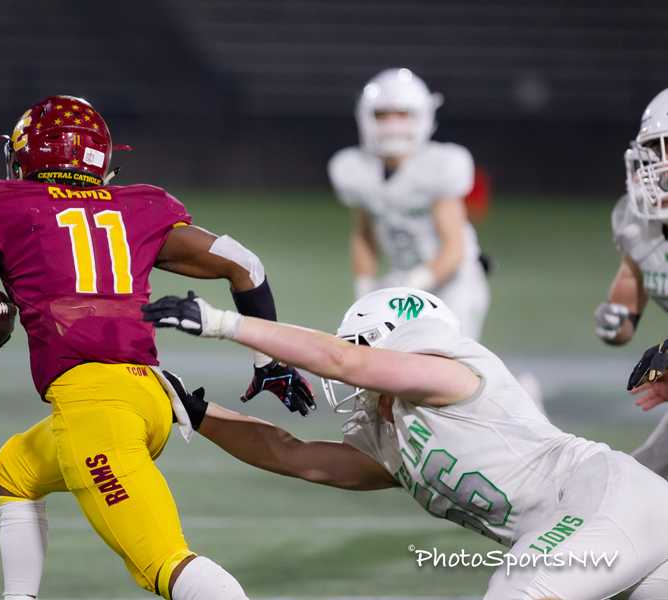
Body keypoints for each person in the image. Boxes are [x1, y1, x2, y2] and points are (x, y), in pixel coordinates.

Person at [0, 95, 315, 600]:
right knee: (15, 469)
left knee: (165, 564)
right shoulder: (141, 207)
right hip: (151, 398)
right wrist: (269, 361)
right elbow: (245, 265)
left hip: (94, 407)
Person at [143, 287, 668, 599]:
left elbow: (344, 362)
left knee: (519, 590)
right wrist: (200, 413)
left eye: (362, 343)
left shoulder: (453, 374)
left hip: (604, 500)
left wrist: (224, 322)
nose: (349, 363)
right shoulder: (390, 438)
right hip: (611, 521)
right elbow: (294, 456)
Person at [328, 67, 489, 340]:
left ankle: (517, 384)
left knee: (448, 363)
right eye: (382, 115)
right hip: (402, 280)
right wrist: (365, 284)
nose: (392, 124)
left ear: (422, 116)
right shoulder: (356, 169)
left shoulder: (441, 165)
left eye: (402, 114)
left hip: (453, 280)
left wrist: (417, 283)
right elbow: (364, 235)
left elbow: (454, 248)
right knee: (380, 357)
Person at [596, 87, 668, 479]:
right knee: (643, 479)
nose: (658, 165)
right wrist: (618, 317)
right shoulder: (637, 224)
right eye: (655, 151)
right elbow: (632, 275)